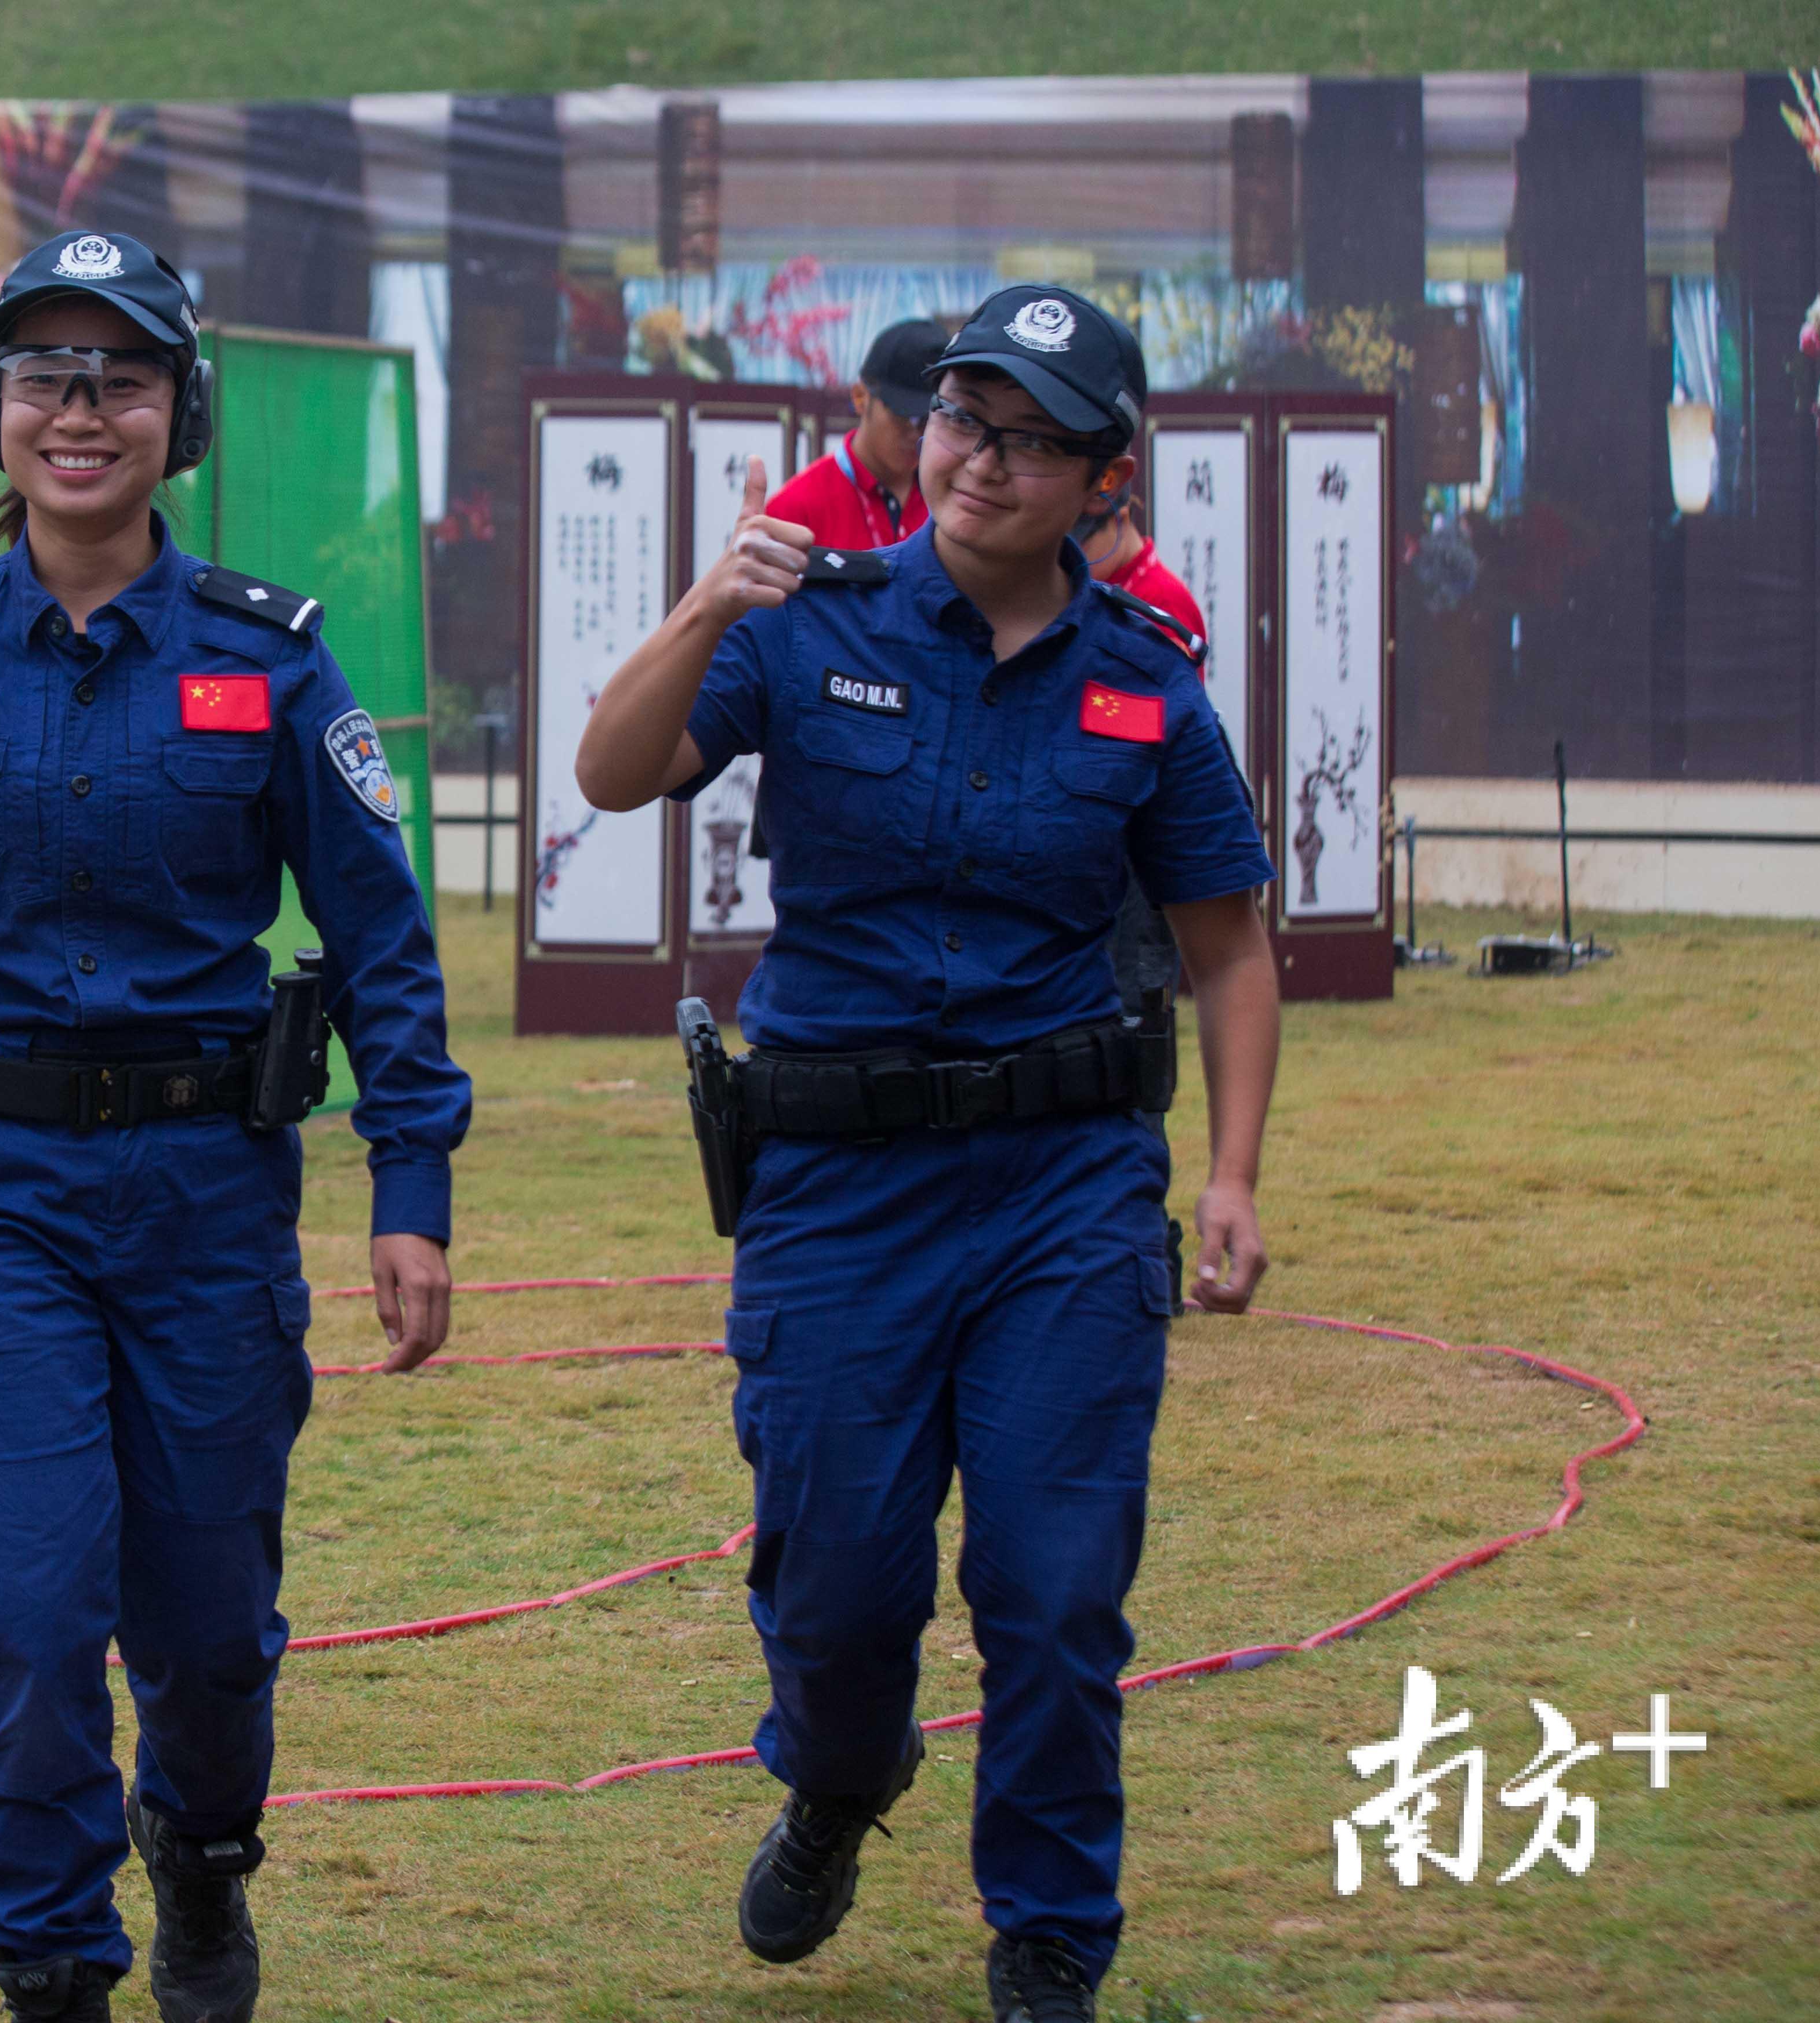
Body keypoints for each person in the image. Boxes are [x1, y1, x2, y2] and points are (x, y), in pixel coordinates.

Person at [0, 229, 469, 2023]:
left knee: (207, 1624)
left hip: (209, 1200)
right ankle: (51, 1958)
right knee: (39, 1615)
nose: (80, 409)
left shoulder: (268, 659)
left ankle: (203, 1861)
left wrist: (410, 1183)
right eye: (44, 374)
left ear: (178, 412)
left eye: (121, 376)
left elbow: (383, 943)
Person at [574, 285, 1281, 2023]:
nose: (984, 457)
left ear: (1101, 479)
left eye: (1034, 435)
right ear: (923, 433)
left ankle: (1049, 1932)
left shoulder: (1145, 688)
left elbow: (1230, 941)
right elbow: (610, 770)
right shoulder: (801, 626)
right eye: (967, 417)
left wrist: (1236, 1173)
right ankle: (836, 1769)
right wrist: (699, 600)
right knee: (837, 1577)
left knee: (1052, 1582)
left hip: (1064, 1190)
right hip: (838, 1188)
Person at [1078, 473, 1211, 1011]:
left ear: (1123, 517)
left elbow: (1161, 724)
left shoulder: (1161, 603)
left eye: (1086, 539)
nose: (1076, 554)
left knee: (1135, 996)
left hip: (1141, 835)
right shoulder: (1084, 592)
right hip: (1090, 834)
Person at [763, 317, 944, 551]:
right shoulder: (794, 510)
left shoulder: (951, 502)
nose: (918, 434)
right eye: (904, 416)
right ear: (860, 397)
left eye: (931, 419)